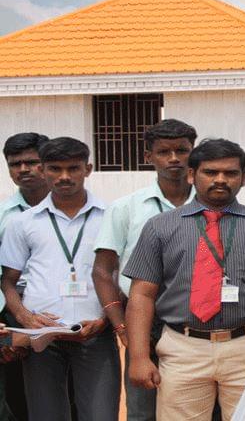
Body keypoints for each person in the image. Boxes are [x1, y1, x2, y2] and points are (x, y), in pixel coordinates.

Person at [122, 138, 245, 420]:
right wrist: (139, 357)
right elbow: (142, 294)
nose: (221, 180)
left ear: (243, 179)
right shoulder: (160, 226)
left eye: (231, 173)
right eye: (211, 172)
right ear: (192, 175)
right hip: (183, 347)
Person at [0, 137, 120, 421]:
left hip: (96, 334)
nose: (64, 177)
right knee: (45, 415)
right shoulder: (23, 222)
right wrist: (26, 318)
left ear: (88, 169)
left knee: (100, 415)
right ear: (43, 170)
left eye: (73, 168)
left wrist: (106, 320)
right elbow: (8, 281)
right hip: (42, 338)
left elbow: (123, 276)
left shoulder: (111, 216)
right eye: (55, 168)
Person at [91, 119, 197, 421]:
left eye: (182, 150)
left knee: (196, 407)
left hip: (197, 320)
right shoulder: (127, 207)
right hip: (143, 321)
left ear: (193, 153)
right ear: (148, 156)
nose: (174, 158)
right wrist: (123, 329)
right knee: (143, 408)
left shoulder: (209, 205)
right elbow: (102, 271)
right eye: (164, 152)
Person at [0, 132, 50, 421]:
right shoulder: (4, 214)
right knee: (18, 393)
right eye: (14, 163)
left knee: (66, 389)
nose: (23, 170)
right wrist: (18, 315)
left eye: (31, 162)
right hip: (14, 309)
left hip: (60, 309)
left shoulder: (74, 209)